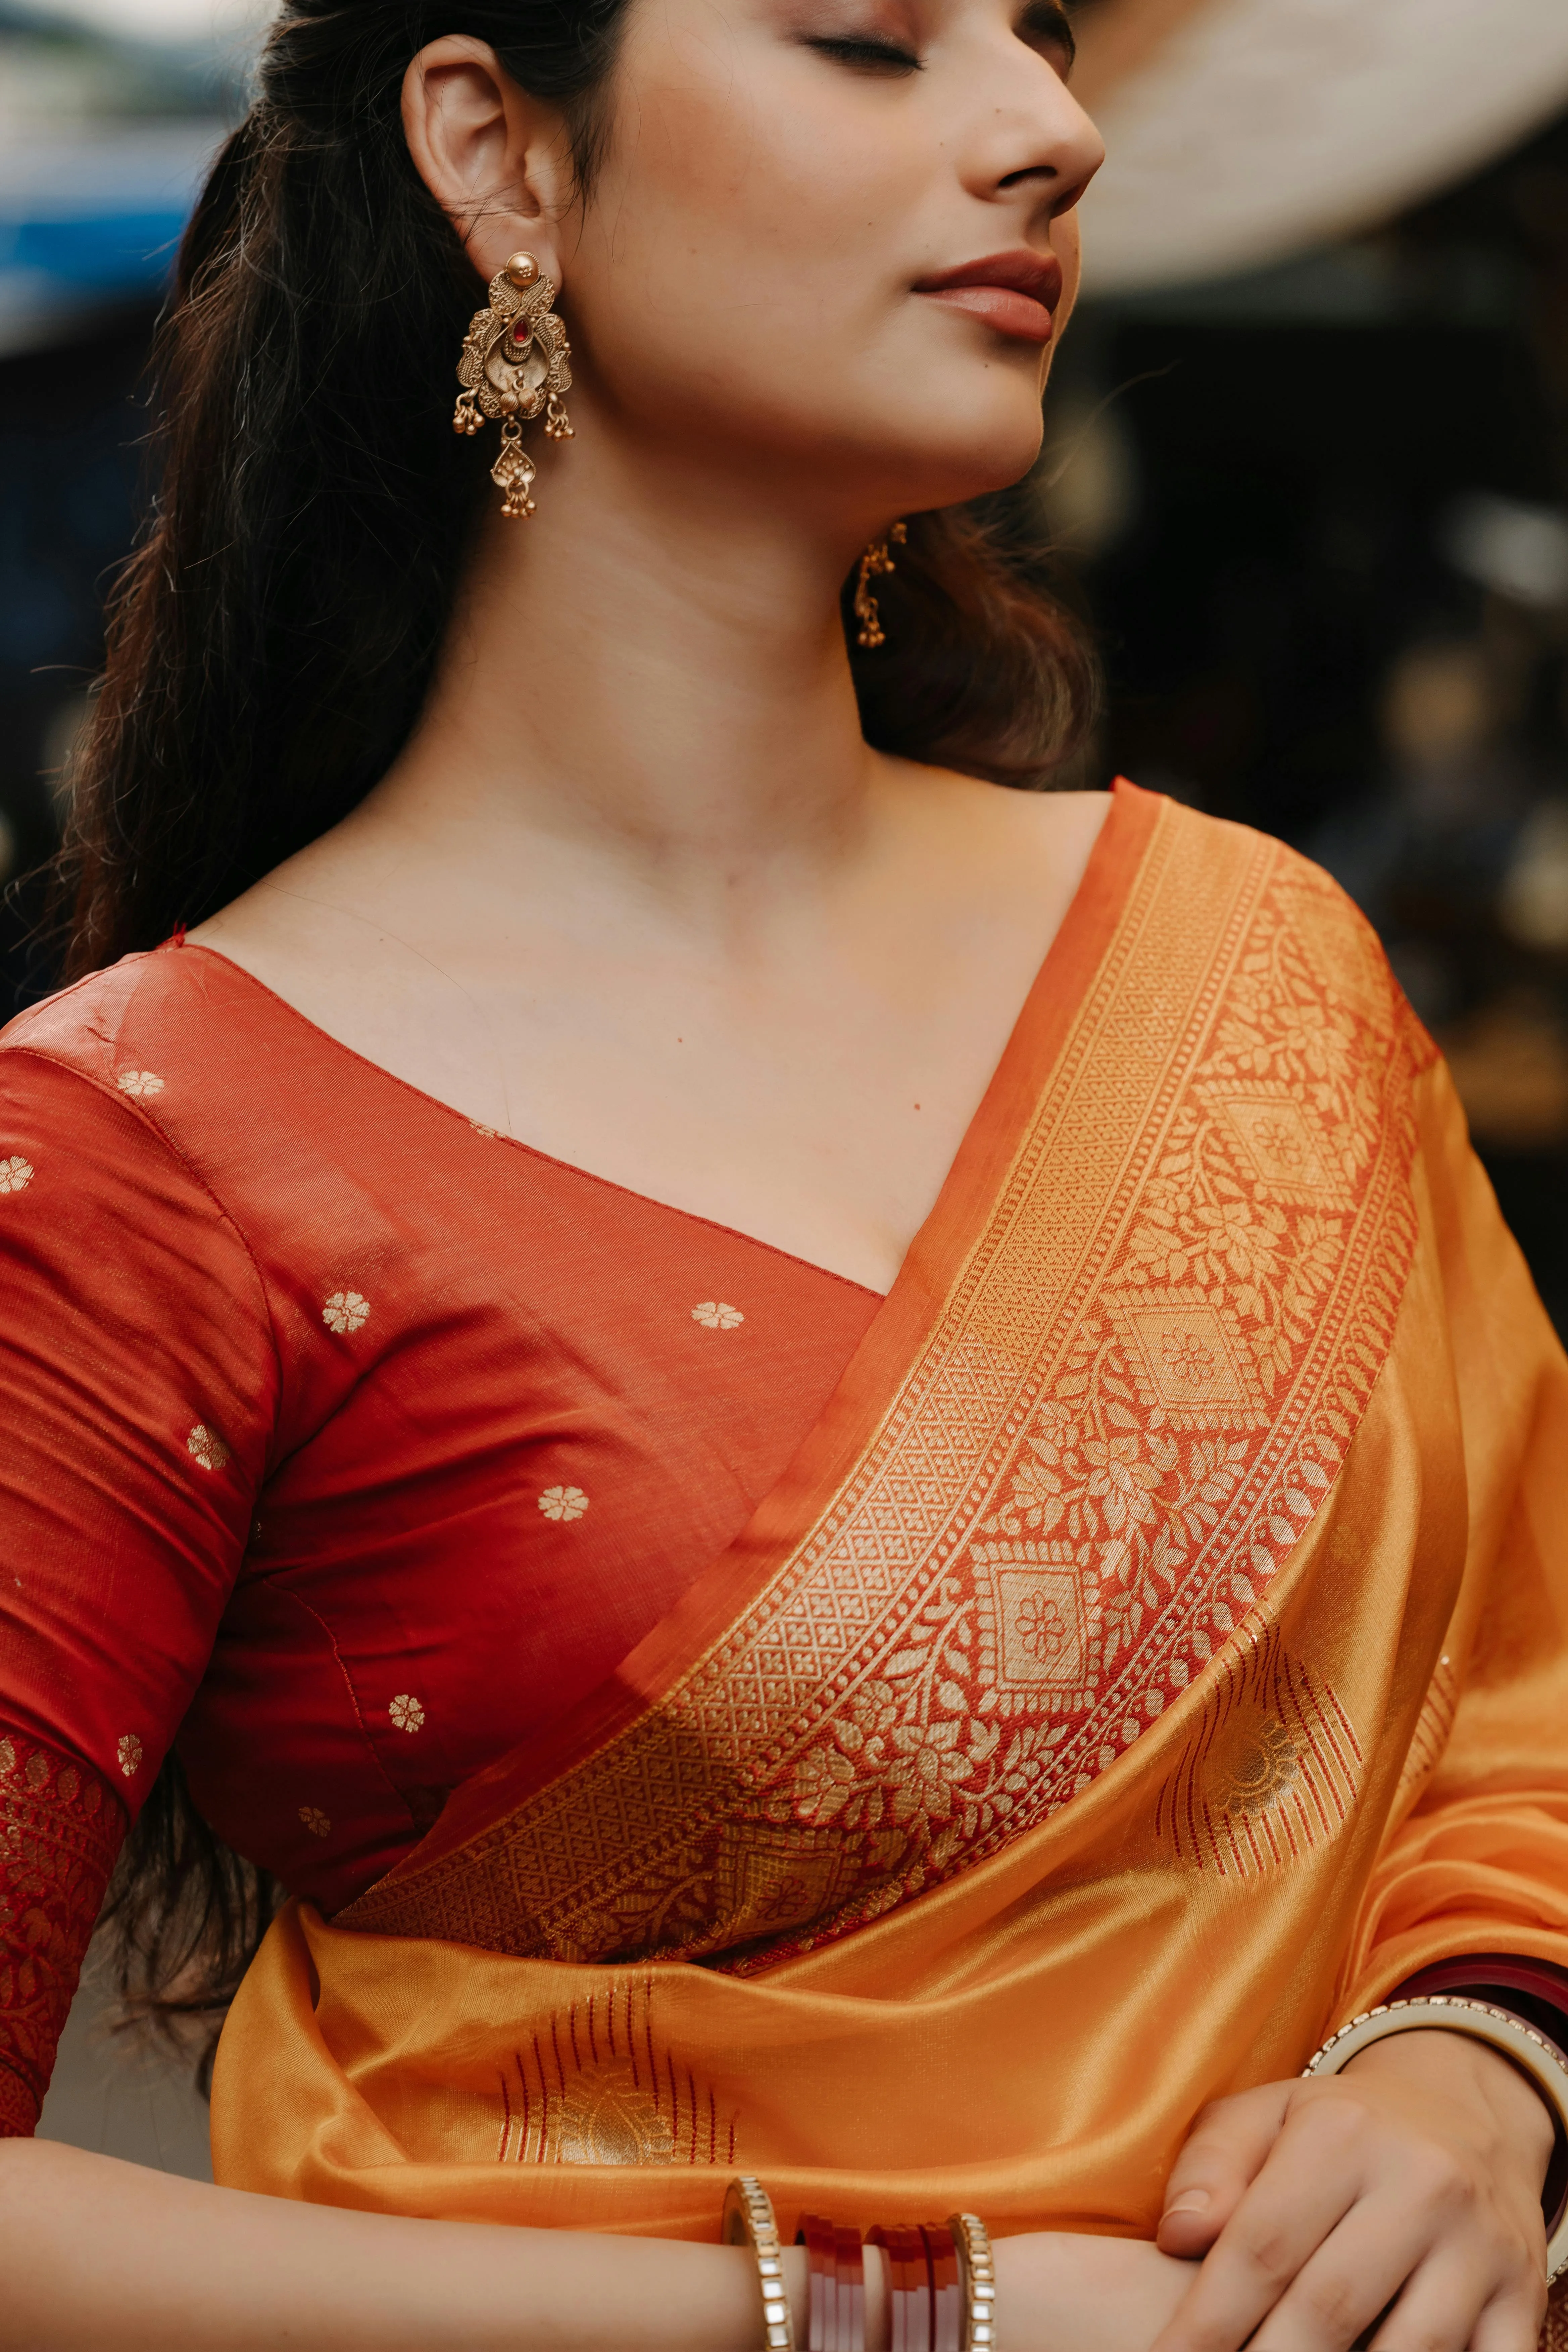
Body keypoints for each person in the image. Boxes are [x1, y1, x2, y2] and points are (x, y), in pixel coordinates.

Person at [2, 0, 1567, 2346]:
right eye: (870, 40)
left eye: (1044, 39)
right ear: (494, 149)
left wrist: (1474, 2064)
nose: (1050, 129)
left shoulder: (1257, 960)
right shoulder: (160, 1147)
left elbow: (1520, 1695)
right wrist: (895, 2321)